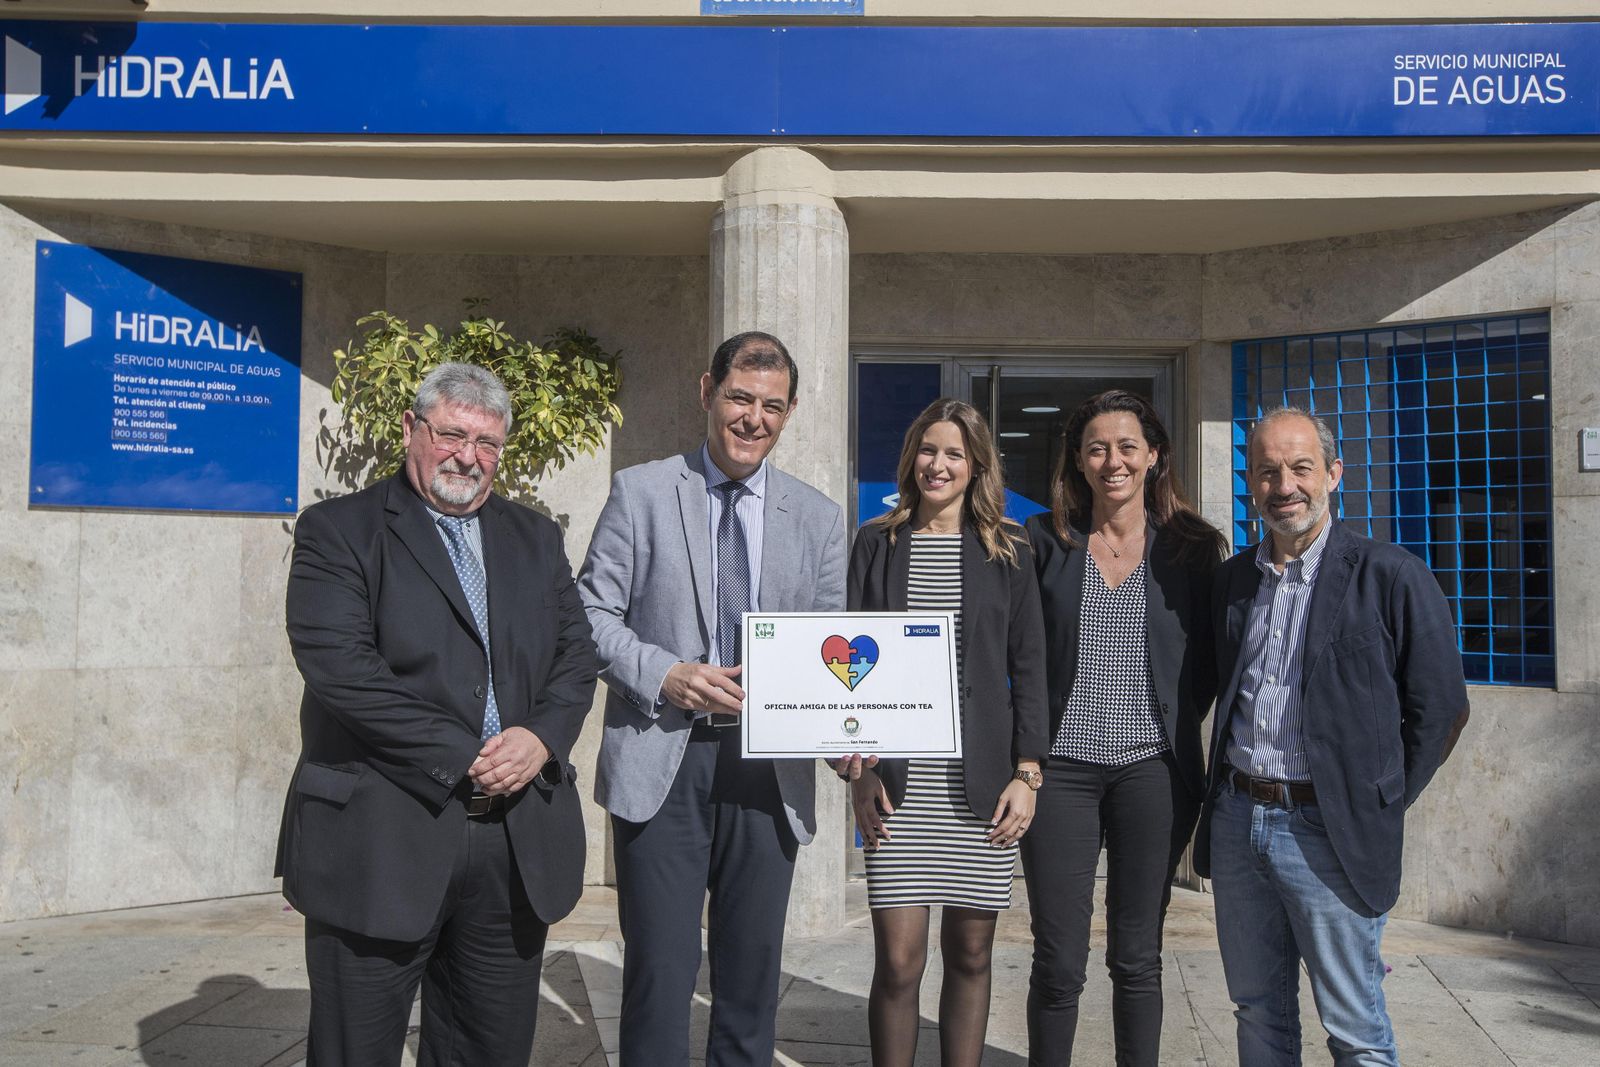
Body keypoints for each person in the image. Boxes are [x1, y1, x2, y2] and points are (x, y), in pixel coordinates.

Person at [277, 362, 599, 1066]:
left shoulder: (534, 538)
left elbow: (578, 657)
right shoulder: (339, 531)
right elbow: (343, 670)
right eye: (452, 433)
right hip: (382, 836)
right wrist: (471, 752)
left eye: (487, 442)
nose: (468, 456)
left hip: (511, 845)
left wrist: (541, 737)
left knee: (488, 1049)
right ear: (411, 430)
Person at [578, 331, 847, 1067]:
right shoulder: (642, 491)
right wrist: (664, 671)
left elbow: (833, 651)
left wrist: (848, 733)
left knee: (752, 981)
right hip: (662, 758)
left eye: (772, 405)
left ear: (788, 413)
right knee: (660, 975)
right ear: (707, 391)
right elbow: (588, 616)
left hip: (769, 768)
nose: (753, 417)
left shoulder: (819, 519)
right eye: (739, 398)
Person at [1196, 405, 1469, 1066]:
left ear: (1334, 473)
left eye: (1300, 467)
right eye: (1266, 471)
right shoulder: (1233, 580)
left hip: (1327, 829)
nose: (1283, 485)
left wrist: (1372, 797)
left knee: (1355, 1028)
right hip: (1239, 821)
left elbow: (1441, 707)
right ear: (1250, 482)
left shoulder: (1391, 575)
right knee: (1258, 1009)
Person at [836, 398, 1048, 1067]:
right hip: (897, 783)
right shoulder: (877, 541)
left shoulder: (1008, 548)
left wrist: (1027, 772)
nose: (938, 463)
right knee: (898, 961)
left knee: (971, 953)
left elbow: (1030, 665)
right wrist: (858, 771)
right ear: (911, 458)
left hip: (980, 783)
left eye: (954, 453)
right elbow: (849, 663)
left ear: (977, 465)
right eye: (928, 450)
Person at [1019, 389, 1226, 1066]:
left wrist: (1170, 725)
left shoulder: (1195, 550)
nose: (1114, 460)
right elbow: (1020, 656)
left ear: (1155, 454)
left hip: (1152, 773)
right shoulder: (1043, 542)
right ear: (1078, 461)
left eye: (1128, 446)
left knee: (1138, 955)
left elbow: (1205, 664)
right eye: (1098, 447)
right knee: (1058, 957)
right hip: (1060, 775)